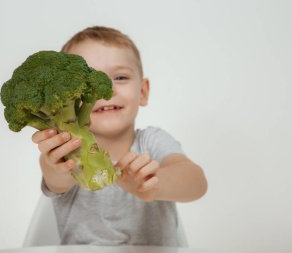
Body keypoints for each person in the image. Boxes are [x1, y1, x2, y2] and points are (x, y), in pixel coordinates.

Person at [31, 26, 208, 246]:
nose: (107, 91)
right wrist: (56, 164)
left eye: (120, 77)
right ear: (66, 95)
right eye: (88, 83)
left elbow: (196, 182)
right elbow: (54, 177)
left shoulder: (152, 142)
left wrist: (154, 184)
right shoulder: (66, 149)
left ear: (142, 92)